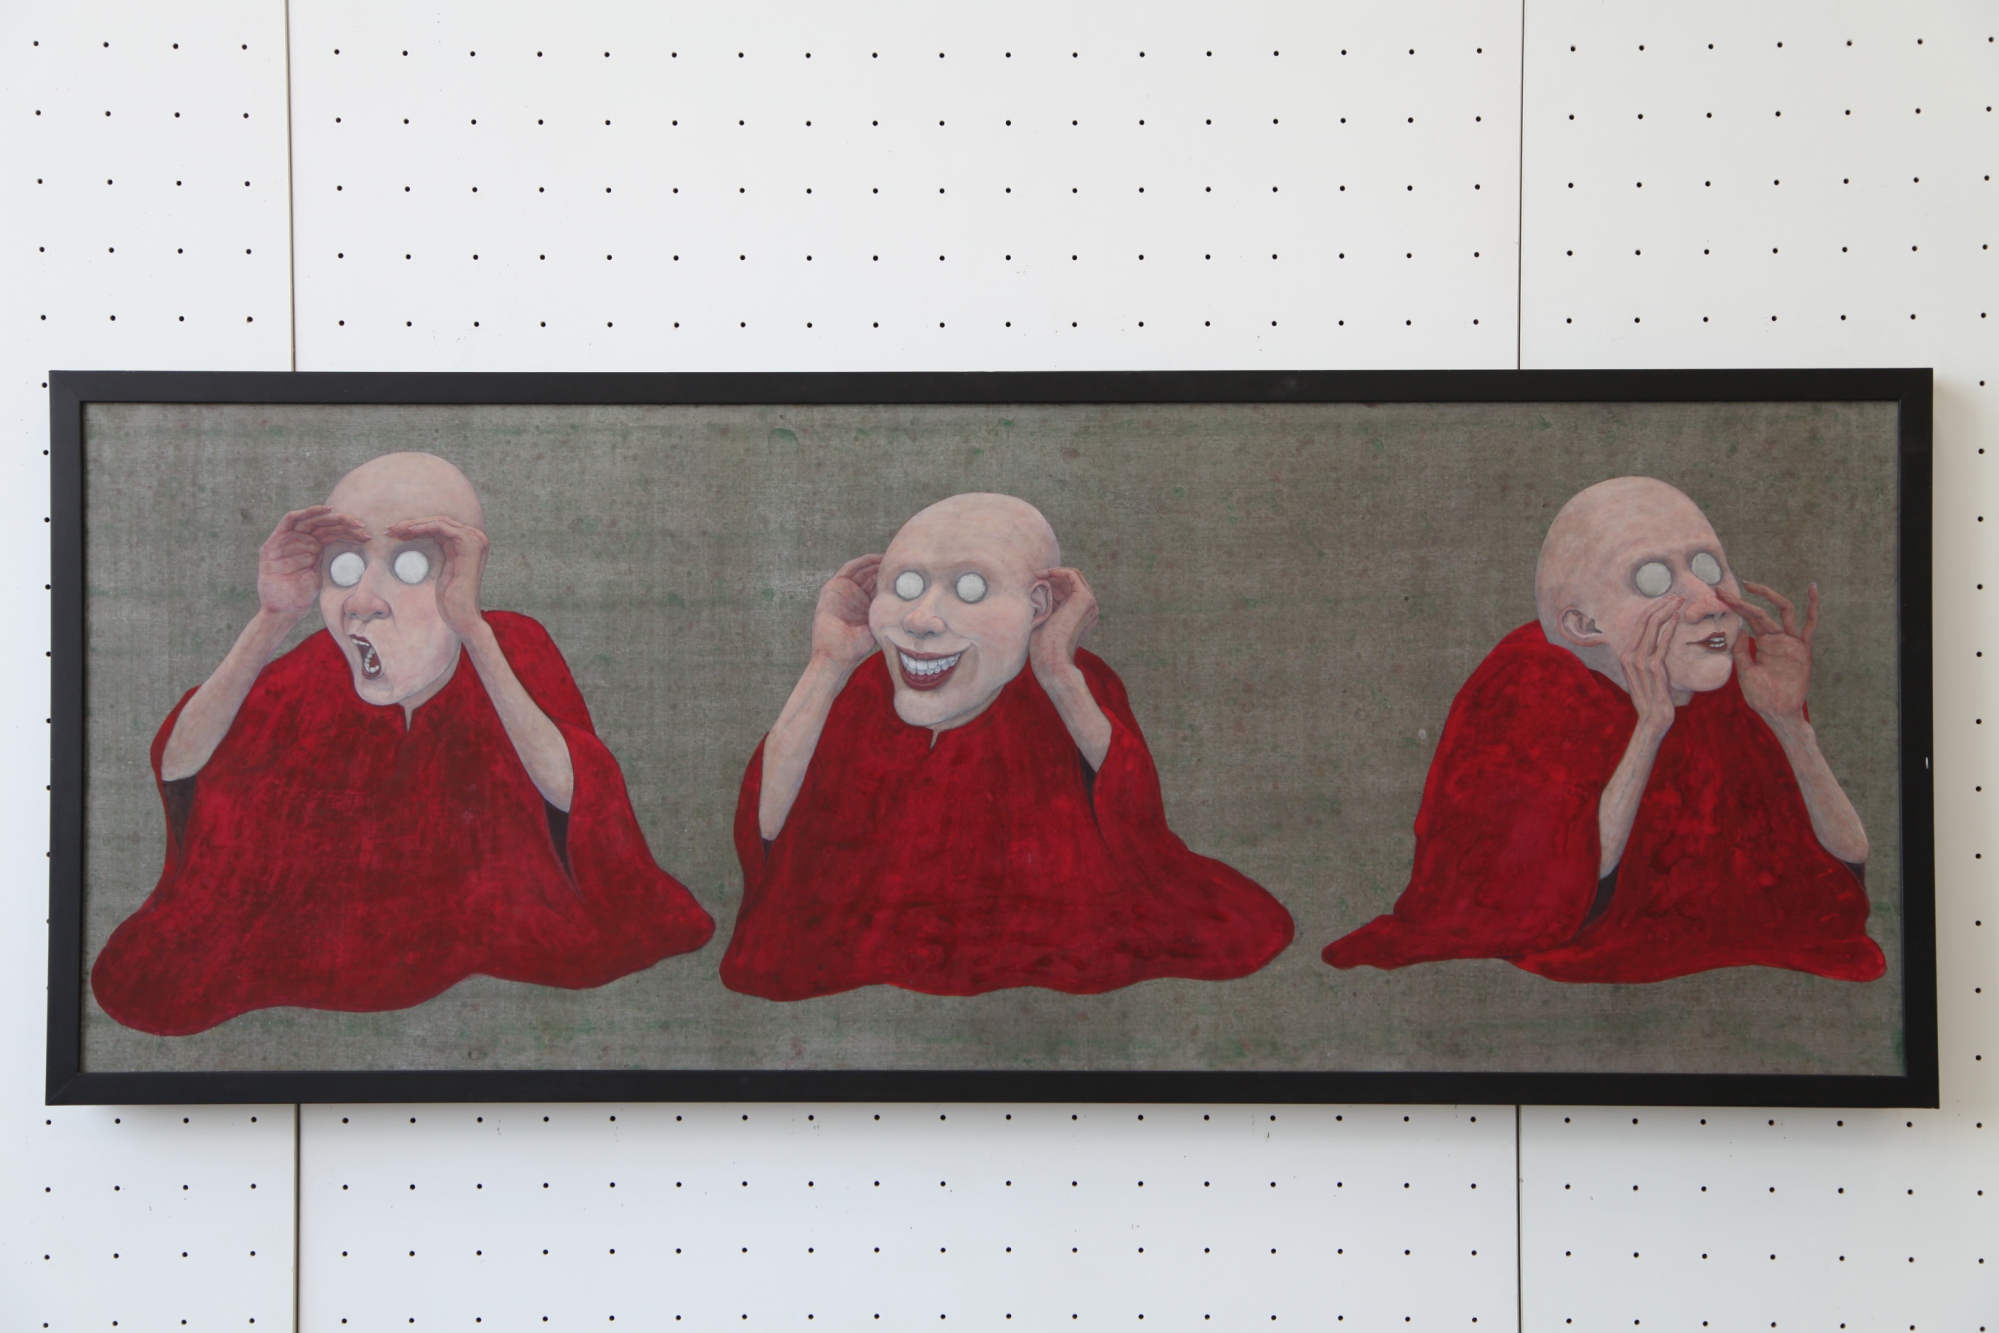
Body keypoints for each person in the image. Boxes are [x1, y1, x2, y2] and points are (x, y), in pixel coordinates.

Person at [91, 453, 714, 1036]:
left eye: (411, 566)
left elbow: (581, 803)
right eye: (344, 566)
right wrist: (272, 619)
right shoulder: (313, 672)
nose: (363, 602)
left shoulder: (510, 649)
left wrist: (473, 630)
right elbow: (184, 767)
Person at [719, 492, 1295, 1000]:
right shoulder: (861, 689)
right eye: (905, 585)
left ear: (1038, 607)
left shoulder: (1072, 685)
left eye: (970, 588)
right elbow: (769, 837)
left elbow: (1142, 843)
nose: (921, 619)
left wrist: (1057, 671)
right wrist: (828, 662)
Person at [1322, 476, 1884, 983]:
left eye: (1710, 568)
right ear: (1583, 624)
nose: (1708, 603)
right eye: (1653, 579)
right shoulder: (1528, 688)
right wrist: (1650, 729)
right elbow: (1549, 903)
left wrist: (1788, 723)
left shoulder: (1742, 675)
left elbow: (1846, 867)